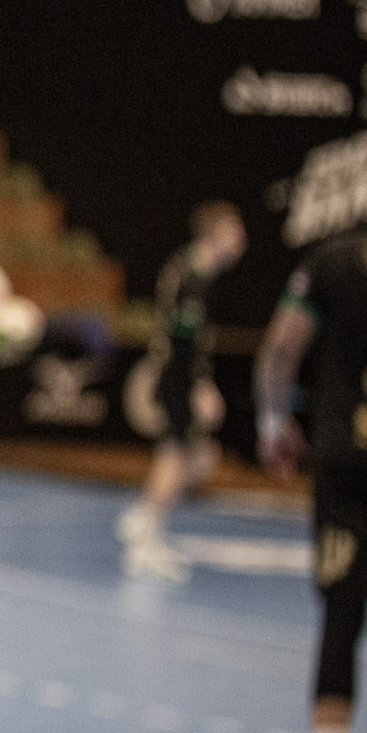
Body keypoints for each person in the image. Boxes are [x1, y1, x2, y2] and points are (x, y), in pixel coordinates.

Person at [257, 198, 367, 733]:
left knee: (340, 626)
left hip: (345, 472)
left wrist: (273, 423)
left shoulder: (335, 259)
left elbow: (280, 350)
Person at [118, 201, 246, 583]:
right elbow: (181, 340)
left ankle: (143, 517)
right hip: (177, 377)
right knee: (177, 453)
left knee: (194, 455)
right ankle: (144, 535)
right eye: (235, 231)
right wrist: (198, 386)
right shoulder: (191, 276)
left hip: (180, 376)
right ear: (215, 234)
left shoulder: (196, 273)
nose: (241, 240)